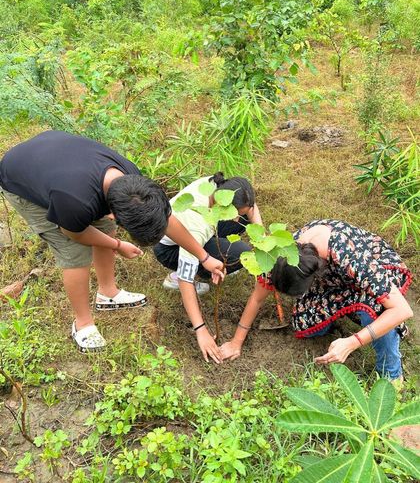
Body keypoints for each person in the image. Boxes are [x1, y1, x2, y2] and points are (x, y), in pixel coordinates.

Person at [0, 131, 225, 352]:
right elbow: (75, 234)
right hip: (18, 174)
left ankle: (108, 293)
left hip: (55, 154)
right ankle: (83, 324)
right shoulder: (74, 203)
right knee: (74, 252)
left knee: (104, 230)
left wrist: (203, 257)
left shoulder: (134, 183)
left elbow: (165, 217)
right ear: (115, 214)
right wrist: (117, 246)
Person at [220, 219, 413, 382]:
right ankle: (339, 318)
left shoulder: (353, 257)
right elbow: (257, 298)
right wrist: (236, 342)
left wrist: (353, 342)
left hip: (369, 276)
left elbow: (401, 310)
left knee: (377, 310)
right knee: (304, 322)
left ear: (313, 277)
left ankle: (392, 375)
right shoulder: (282, 255)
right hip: (333, 278)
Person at [154, 172, 262, 364]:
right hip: (170, 248)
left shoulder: (219, 186)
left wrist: (261, 240)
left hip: (201, 226)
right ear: (224, 206)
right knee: (239, 253)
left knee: (245, 222)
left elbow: (250, 206)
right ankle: (174, 276)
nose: (238, 219)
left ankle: (209, 252)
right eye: (237, 213)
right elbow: (185, 281)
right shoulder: (196, 226)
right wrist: (201, 330)